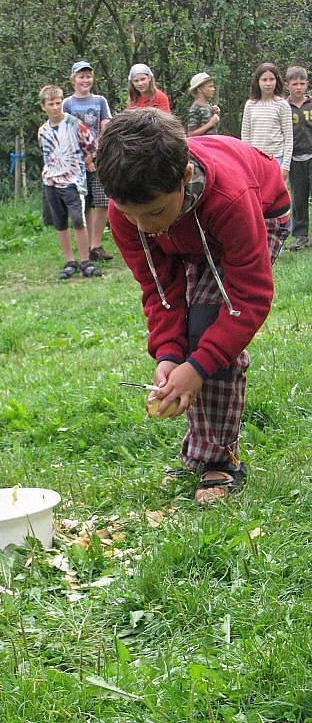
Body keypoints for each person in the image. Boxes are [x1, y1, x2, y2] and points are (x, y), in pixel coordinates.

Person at [97, 109, 290, 504]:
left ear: (184, 178)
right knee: (190, 332)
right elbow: (159, 287)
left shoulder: (230, 199)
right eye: (130, 215)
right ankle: (204, 451)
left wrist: (200, 365)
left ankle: (219, 460)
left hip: (261, 213)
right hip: (188, 231)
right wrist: (170, 353)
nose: (143, 226)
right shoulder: (131, 212)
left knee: (209, 325)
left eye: (151, 213)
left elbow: (249, 296)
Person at [38, 84, 102, 280]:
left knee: (78, 220)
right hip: (51, 181)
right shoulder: (42, 131)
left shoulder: (75, 124)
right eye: (51, 104)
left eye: (58, 103)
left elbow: (90, 145)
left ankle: (85, 261)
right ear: (43, 106)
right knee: (59, 222)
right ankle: (69, 261)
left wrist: (87, 161)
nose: (56, 107)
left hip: (73, 181)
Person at [63, 60, 114, 262]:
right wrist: (83, 156)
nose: (85, 80)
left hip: (99, 158)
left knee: (102, 202)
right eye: (81, 76)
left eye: (88, 76)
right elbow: (66, 131)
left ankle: (96, 245)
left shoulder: (100, 101)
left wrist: (93, 153)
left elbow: (106, 127)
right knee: (84, 203)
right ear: (73, 79)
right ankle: (84, 246)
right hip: (76, 161)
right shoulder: (67, 103)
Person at [241, 62, 292, 180]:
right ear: (258, 82)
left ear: (276, 81)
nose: (268, 84)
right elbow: (245, 137)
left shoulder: (282, 105)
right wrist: (246, 161)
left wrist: (285, 166)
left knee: (277, 197)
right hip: (255, 160)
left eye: (271, 79)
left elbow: (288, 138)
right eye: (264, 80)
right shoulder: (250, 105)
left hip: (277, 159)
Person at [285, 65, 312, 251]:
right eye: (295, 84)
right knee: (299, 198)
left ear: (307, 84)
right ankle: (301, 236)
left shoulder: (311, 104)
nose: (299, 87)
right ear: (287, 85)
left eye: (302, 83)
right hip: (294, 158)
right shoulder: (284, 107)